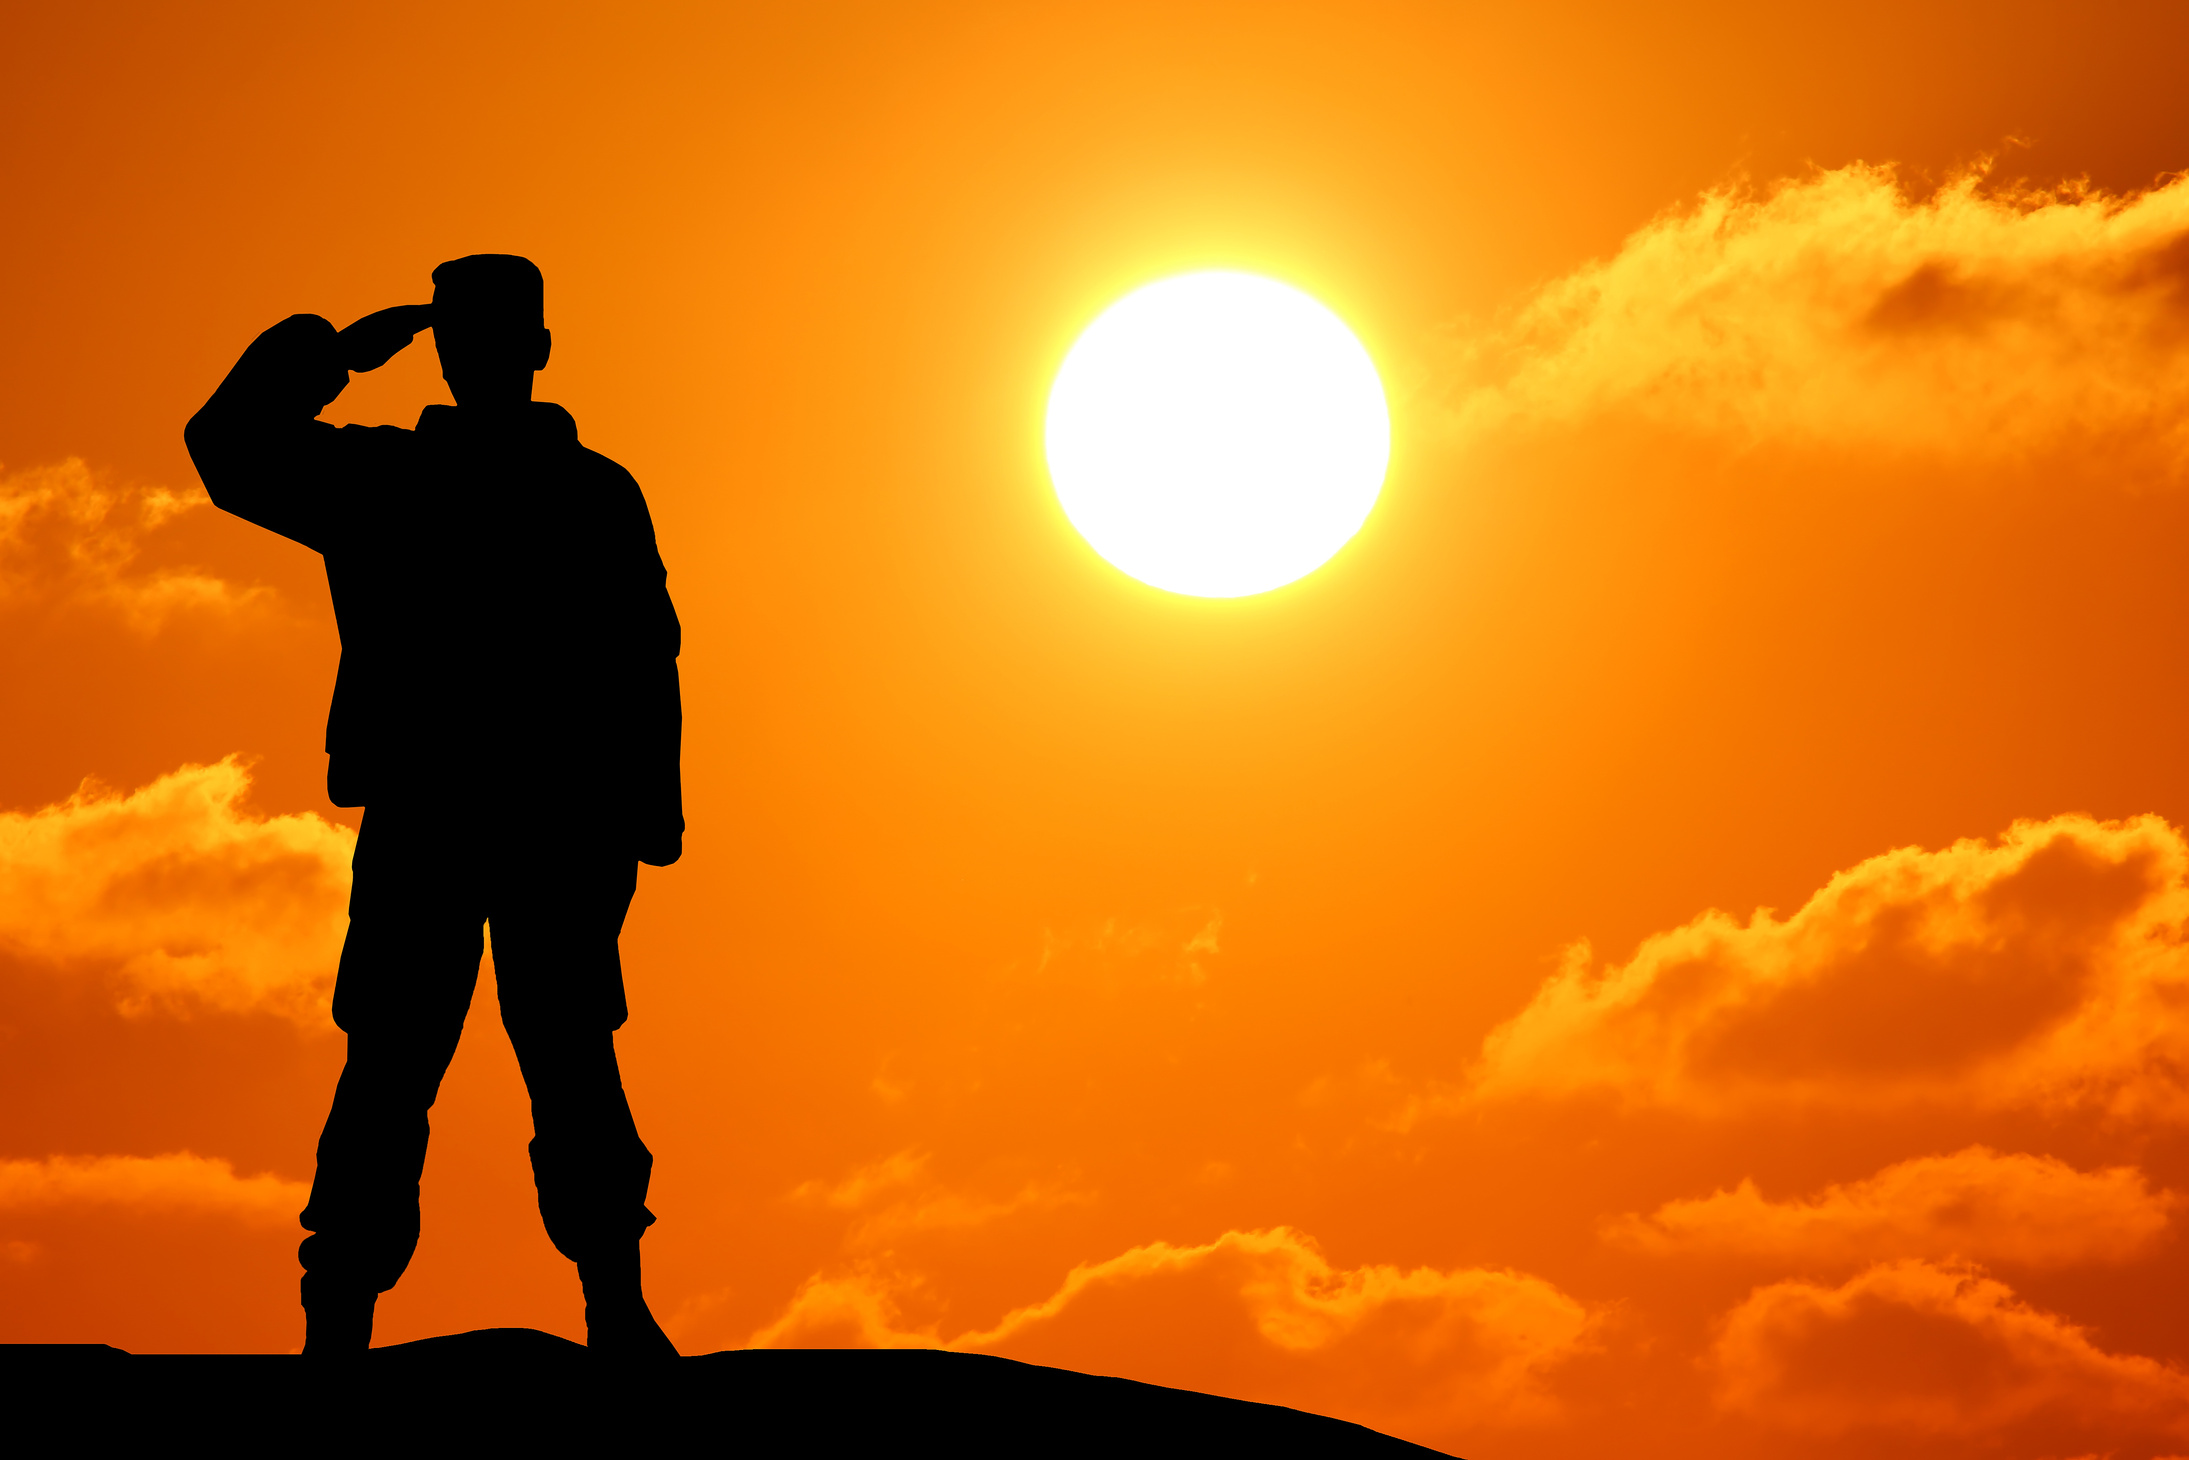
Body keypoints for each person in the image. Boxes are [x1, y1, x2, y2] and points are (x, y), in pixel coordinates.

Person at [184, 255, 684, 1356]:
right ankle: (350, 1311)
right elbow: (221, 448)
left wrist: (649, 806)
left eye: (480, 332)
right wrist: (651, 808)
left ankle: (594, 1295)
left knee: (529, 1056)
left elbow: (645, 652)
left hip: (526, 819)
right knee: (423, 1059)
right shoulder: (419, 483)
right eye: (468, 332)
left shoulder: (467, 486)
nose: (475, 353)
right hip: (459, 815)